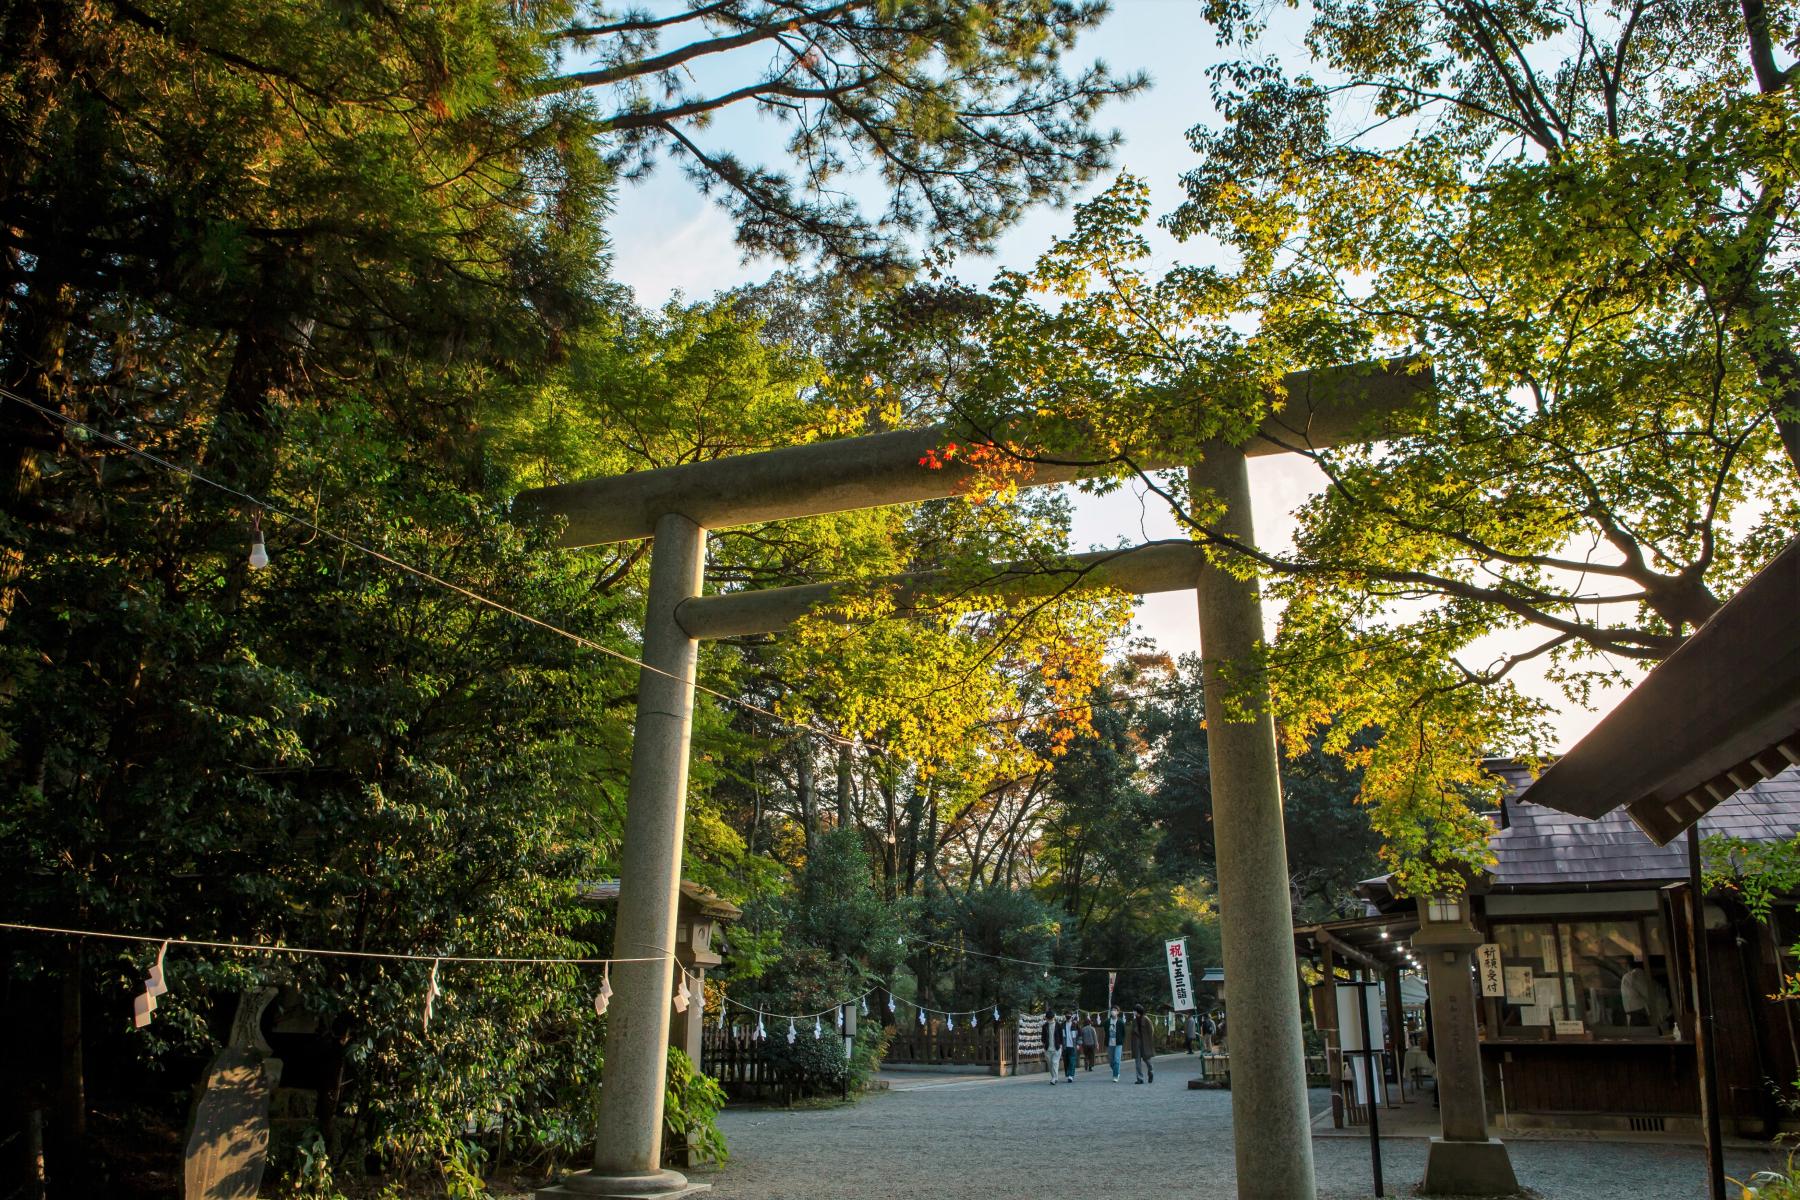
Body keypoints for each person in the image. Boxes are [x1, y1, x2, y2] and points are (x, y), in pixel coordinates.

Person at [1130, 1004, 1155, 1084]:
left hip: (1145, 1042)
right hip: (1137, 1043)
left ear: (1138, 1011)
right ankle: (1139, 1078)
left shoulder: (1146, 1019)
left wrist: (1149, 1040)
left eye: (1134, 1010)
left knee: (1147, 1060)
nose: (1133, 1012)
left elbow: (1151, 1030)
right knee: (1137, 1061)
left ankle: (1151, 1072)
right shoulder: (1134, 1021)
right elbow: (1132, 1032)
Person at [1104, 1005, 1127, 1081]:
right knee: (1111, 1061)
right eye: (1112, 1010)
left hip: (1118, 1044)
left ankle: (1115, 1076)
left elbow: (1124, 1033)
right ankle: (1116, 1071)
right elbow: (1105, 1031)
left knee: (1117, 1060)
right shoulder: (1107, 1022)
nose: (1113, 1011)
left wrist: (1121, 1041)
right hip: (1110, 1043)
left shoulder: (1120, 1022)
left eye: (1115, 1010)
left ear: (1118, 1012)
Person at [1043, 1006, 1062, 1085]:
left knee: (1054, 1062)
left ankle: (1054, 1078)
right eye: (1048, 1019)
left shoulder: (1058, 1025)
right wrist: (1044, 1044)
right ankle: (1055, 1077)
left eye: (1051, 1019)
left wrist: (1061, 1044)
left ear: (1054, 1017)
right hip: (1048, 1048)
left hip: (1057, 1047)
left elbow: (1061, 1036)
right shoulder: (1045, 1026)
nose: (1050, 1020)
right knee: (1050, 1064)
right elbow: (1043, 1036)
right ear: (1046, 1018)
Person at [1062, 1009, 1081, 1082]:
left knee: (1072, 1061)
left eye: (1069, 1015)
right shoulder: (1063, 1025)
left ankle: (1071, 1075)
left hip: (1073, 1046)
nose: (1068, 1016)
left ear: (1071, 1016)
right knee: (1066, 1061)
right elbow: (1061, 1036)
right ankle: (1068, 1074)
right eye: (1067, 1015)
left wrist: (1078, 1044)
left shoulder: (1075, 1025)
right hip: (1065, 1046)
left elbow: (1080, 1035)